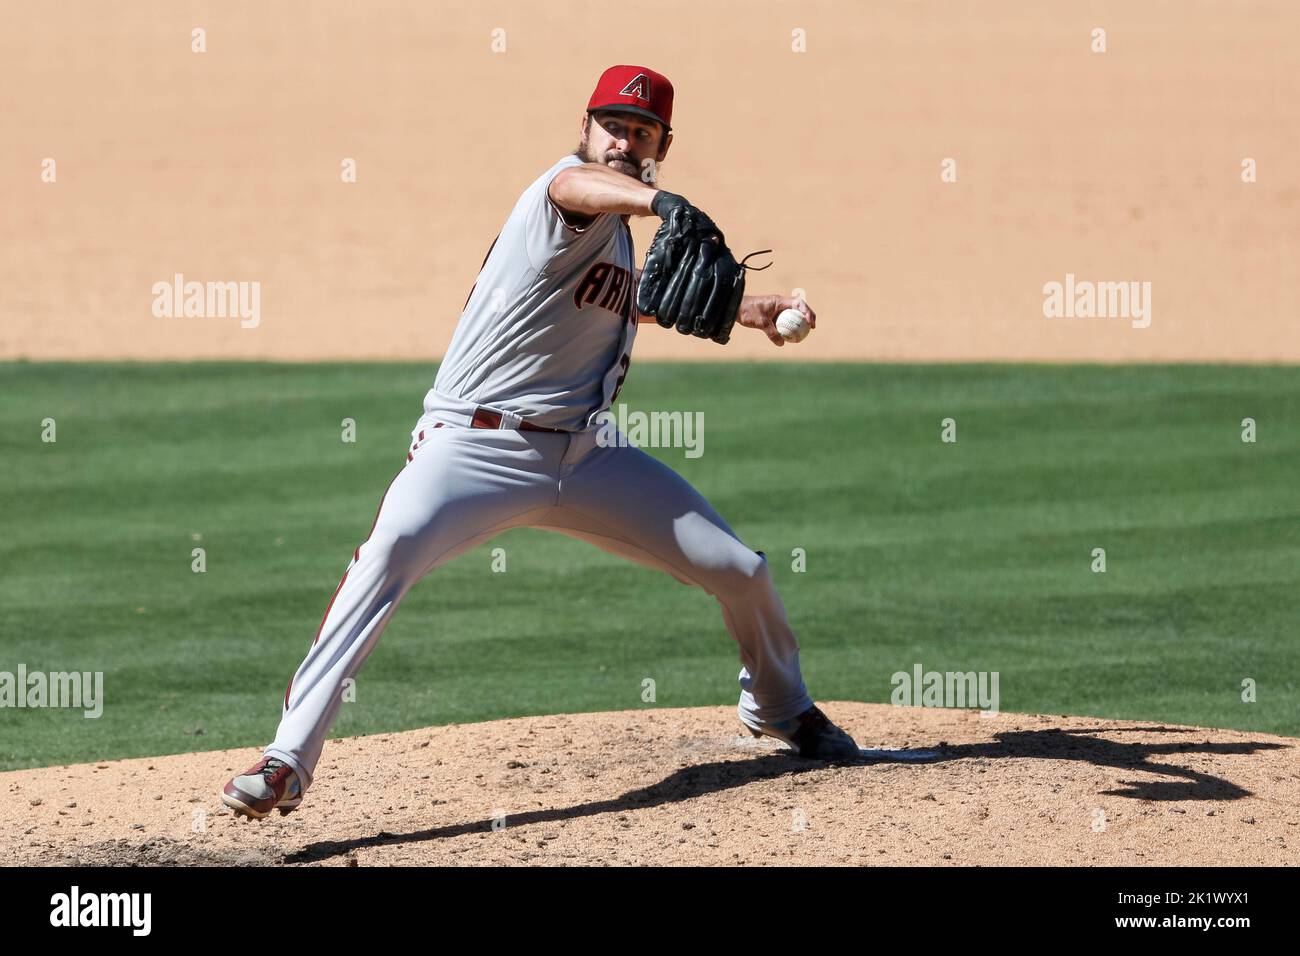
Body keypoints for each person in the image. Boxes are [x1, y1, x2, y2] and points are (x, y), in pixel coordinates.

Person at [220, 64, 858, 820]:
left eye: (642, 132)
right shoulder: (559, 193)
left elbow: (632, 300)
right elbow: (574, 189)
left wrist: (745, 310)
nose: (625, 140)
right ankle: (286, 760)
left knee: (740, 570)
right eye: (613, 125)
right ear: (584, 130)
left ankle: (780, 705)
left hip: (587, 457)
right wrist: (662, 202)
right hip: (474, 446)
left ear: (661, 144)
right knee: (385, 557)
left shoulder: (616, 242)